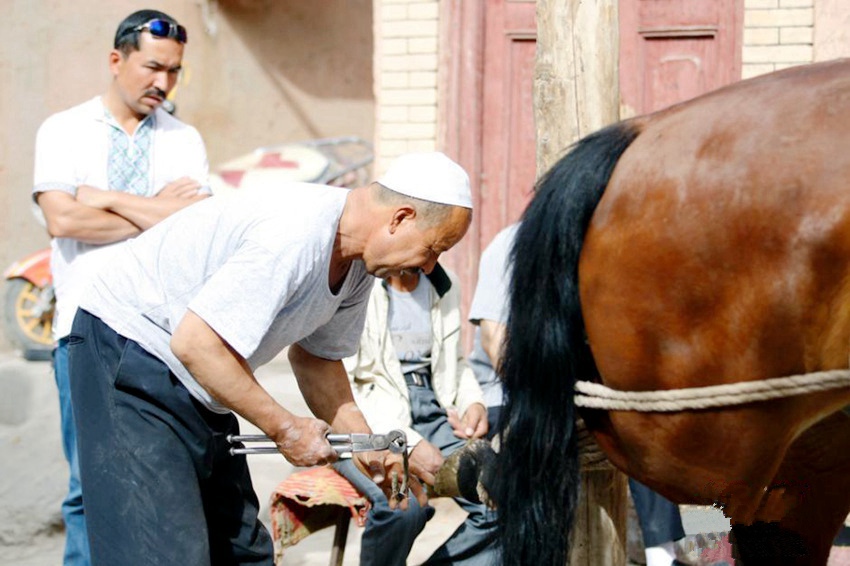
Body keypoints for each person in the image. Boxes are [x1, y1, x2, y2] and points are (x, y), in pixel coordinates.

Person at [67, 151, 473, 565]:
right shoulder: (297, 233)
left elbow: (317, 361)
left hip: (202, 382)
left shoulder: (356, 264)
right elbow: (196, 343)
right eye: (432, 248)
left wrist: (369, 448)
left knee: (246, 554)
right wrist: (285, 428)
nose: (428, 266)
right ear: (400, 217)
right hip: (128, 354)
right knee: (162, 554)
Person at [32, 10, 209, 565]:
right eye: (153, 67)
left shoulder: (185, 140)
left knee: (168, 485)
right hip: (83, 333)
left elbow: (195, 229)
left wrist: (104, 198)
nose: (163, 82)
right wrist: (161, 212)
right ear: (117, 60)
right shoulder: (64, 130)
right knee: (89, 487)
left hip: (164, 339)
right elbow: (63, 221)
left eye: (174, 71)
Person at [468, 223, 687, 566]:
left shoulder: (603, 245)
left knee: (645, 431)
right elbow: (494, 341)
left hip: (584, 394)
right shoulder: (510, 243)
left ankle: (665, 555)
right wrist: (546, 400)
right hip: (513, 394)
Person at [334, 265, 499, 566]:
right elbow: (338, 389)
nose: (431, 256)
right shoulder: (357, 283)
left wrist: (473, 402)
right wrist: (407, 442)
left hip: (432, 410)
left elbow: (456, 363)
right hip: (367, 420)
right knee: (402, 505)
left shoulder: (444, 284)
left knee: (499, 497)